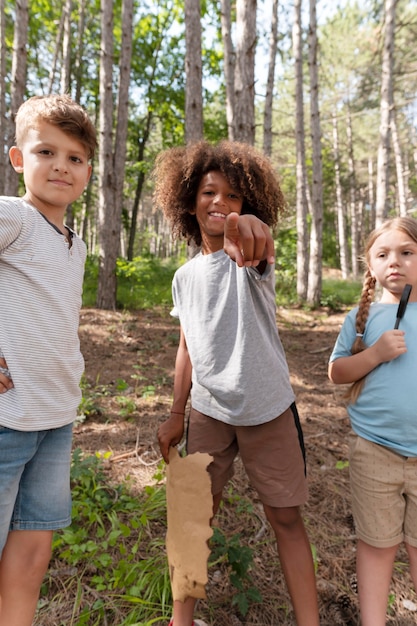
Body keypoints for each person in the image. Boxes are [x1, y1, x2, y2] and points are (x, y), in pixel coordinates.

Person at [154, 140, 320, 626]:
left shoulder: (251, 261)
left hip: (268, 408)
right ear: (189, 202)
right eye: (209, 192)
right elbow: (188, 346)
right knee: (193, 522)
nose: (220, 203)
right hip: (208, 413)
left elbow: (257, 241)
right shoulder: (185, 277)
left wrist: (248, 231)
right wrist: (175, 413)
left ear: (248, 205)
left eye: (233, 196)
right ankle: (180, 622)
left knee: (286, 519)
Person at [0, 94, 97, 626]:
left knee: (34, 550)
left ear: (87, 171)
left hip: (56, 418)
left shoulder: (74, 242)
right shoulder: (13, 216)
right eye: (46, 151)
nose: (61, 165)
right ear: (19, 159)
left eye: (76, 157)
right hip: (6, 418)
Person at [328, 216, 417, 626]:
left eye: (406, 252)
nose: (394, 262)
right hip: (374, 451)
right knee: (377, 545)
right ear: (369, 265)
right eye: (383, 254)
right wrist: (376, 354)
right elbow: (337, 372)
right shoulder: (363, 319)